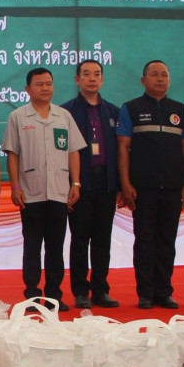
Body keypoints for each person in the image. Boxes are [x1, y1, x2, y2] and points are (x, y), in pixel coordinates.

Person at [3, 67, 85, 310]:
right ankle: (31, 295)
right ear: (28, 89)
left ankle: (54, 296)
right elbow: (12, 154)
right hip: (30, 193)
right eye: (39, 84)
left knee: (55, 248)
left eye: (49, 83)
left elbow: (73, 151)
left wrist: (75, 183)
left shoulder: (64, 116)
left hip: (59, 191)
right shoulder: (18, 117)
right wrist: (15, 186)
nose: (45, 88)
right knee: (32, 247)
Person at [118, 60, 184, 309]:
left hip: (173, 187)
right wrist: (125, 183)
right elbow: (123, 147)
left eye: (164, 74)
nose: (160, 79)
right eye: (154, 74)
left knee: (166, 241)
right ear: (143, 80)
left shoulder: (180, 110)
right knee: (144, 241)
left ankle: (164, 292)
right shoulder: (131, 108)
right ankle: (145, 293)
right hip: (142, 187)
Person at [60, 59, 121, 309]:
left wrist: (119, 186)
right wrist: (69, 184)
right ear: (77, 79)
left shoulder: (114, 112)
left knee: (102, 239)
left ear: (102, 80)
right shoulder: (66, 112)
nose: (92, 78)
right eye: (86, 74)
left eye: (97, 74)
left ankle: (100, 290)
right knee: (80, 238)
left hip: (106, 183)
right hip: (79, 183)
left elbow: (121, 152)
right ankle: (80, 291)